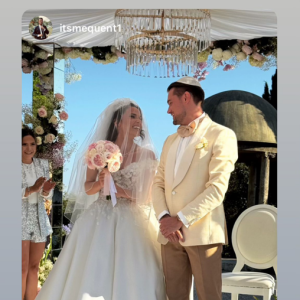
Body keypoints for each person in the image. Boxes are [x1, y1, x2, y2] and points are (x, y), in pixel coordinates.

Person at [36, 99, 166, 300]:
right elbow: (88, 188)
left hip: (133, 219)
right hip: (100, 215)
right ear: (116, 123)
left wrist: (120, 190)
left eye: (139, 117)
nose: (138, 121)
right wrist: (101, 183)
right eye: (132, 116)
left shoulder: (147, 154)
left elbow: (147, 195)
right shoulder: (99, 151)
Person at [152, 77, 238, 300]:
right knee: (174, 296)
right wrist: (164, 218)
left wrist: (180, 219)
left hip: (203, 234)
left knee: (210, 296)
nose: (168, 110)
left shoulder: (221, 135)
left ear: (186, 97)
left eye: (170, 102)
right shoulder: (169, 140)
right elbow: (158, 183)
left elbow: (217, 188)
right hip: (170, 236)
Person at [22, 127, 56, 300]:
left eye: (32, 144)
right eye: (24, 144)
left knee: (34, 267)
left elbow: (46, 196)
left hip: (39, 218)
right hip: (20, 218)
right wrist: (32, 189)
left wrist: (45, 191)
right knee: (21, 267)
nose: (29, 148)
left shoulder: (42, 164)